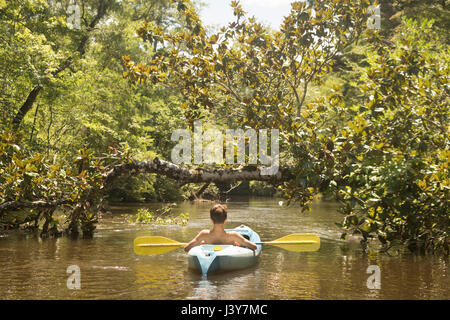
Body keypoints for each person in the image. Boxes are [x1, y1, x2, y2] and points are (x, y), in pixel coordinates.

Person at [184, 204, 257, 252]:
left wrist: (201, 244)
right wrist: (241, 246)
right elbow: (254, 247)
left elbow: (186, 248)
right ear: (226, 219)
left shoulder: (204, 235)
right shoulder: (233, 236)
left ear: (211, 219)